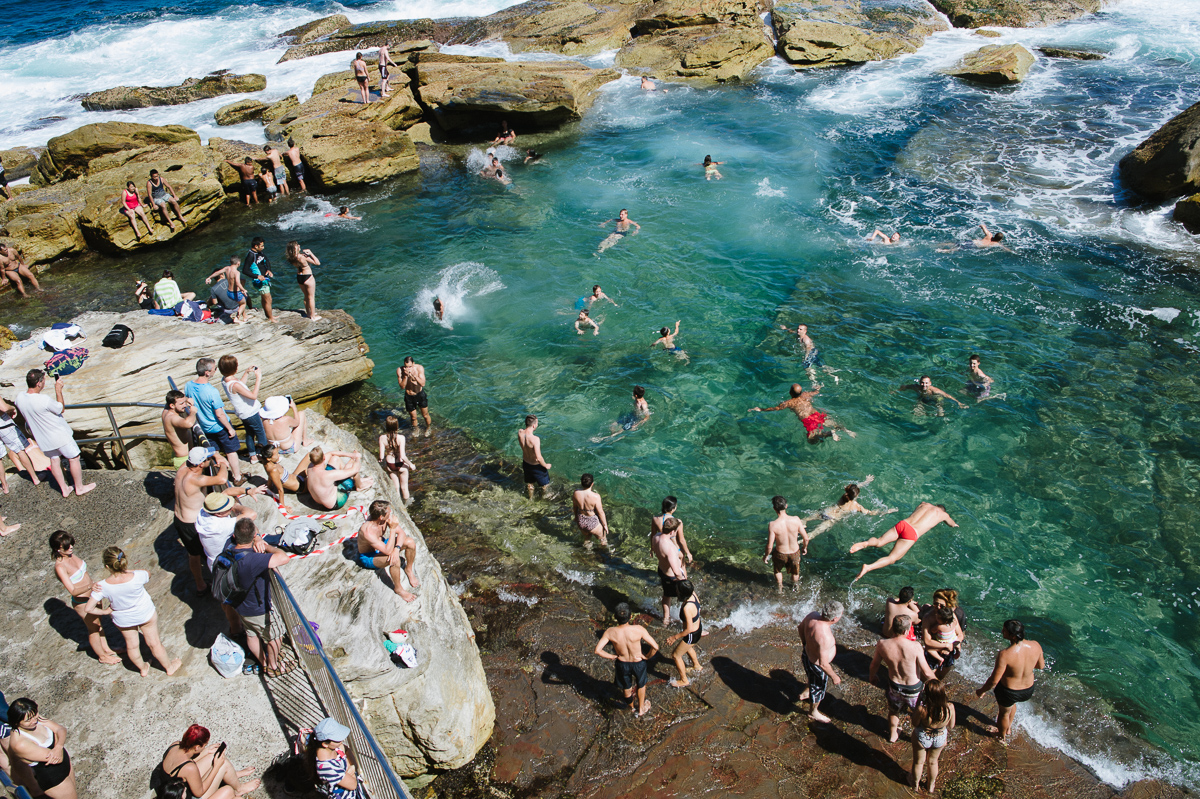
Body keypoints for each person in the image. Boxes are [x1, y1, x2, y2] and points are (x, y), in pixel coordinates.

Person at [84, 546, 181, 676]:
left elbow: (88, 608)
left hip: (123, 619)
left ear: (107, 567)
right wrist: (126, 570)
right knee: (154, 643)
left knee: (132, 646)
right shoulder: (137, 576)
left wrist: (106, 612)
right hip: (145, 613)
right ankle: (169, 667)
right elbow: (148, 573)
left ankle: (143, 669)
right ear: (124, 561)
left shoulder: (102, 585)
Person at [222, 518, 289, 675]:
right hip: (258, 606)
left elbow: (249, 526)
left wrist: (257, 536)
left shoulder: (229, 546)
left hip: (240, 604)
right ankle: (273, 666)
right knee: (275, 636)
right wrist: (266, 546)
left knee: (251, 634)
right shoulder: (252, 559)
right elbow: (283, 557)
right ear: (252, 537)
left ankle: (263, 662)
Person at [14, 370, 95, 498]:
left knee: (54, 460)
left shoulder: (19, 398)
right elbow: (60, 408)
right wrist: (58, 390)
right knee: (74, 458)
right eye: (44, 381)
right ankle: (79, 488)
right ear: (39, 383)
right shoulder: (43, 399)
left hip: (43, 438)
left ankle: (64, 489)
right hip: (59, 435)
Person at [50, 531, 121, 665]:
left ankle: (106, 649)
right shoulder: (60, 567)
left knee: (99, 624)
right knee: (93, 629)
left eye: (71, 543)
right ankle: (102, 656)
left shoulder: (71, 555)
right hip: (82, 601)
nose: (70, 547)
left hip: (94, 595)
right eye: (66, 546)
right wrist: (90, 586)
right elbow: (73, 590)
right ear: (57, 549)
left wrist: (93, 588)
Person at [849, 502, 959, 582]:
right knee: (892, 558)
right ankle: (868, 567)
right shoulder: (944, 515)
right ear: (943, 510)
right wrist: (954, 525)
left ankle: (866, 543)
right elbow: (951, 523)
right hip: (912, 533)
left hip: (903, 524)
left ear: (935, 504)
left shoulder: (924, 504)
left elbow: (917, 511)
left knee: (879, 541)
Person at [870, 614, 936, 742]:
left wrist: (872, 676)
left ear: (892, 628)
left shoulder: (882, 644)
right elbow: (926, 672)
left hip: (894, 686)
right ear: (907, 630)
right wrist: (937, 684)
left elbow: (874, 664)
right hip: (913, 689)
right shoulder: (915, 646)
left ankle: (893, 735)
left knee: (894, 711)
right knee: (920, 713)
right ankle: (922, 736)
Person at [174, 446, 231, 592]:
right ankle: (220, 585)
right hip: (192, 523)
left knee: (193, 555)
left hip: (180, 520)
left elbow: (206, 455)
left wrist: (215, 454)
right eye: (207, 458)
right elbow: (221, 479)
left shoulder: (183, 467)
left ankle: (200, 585)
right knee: (211, 553)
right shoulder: (195, 479)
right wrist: (223, 463)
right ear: (200, 464)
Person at [976, 619, 1044, 739]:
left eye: (1004, 630)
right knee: (1011, 705)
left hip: (1009, 692)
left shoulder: (1005, 654)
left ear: (1012, 636)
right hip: (1028, 690)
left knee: (1003, 713)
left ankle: (1001, 735)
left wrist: (981, 691)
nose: (1002, 631)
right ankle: (1008, 728)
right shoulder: (1036, 645)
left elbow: (994, 681)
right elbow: (1040, 666)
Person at [185, 358, 245, 485]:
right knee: (231, 451)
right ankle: (237, 477)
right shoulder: (211, 391)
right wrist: (229, 428)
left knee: (215, 452)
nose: (215, 371)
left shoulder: (188, 385)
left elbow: (189, 401)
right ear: (207, 372)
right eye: (214, 369)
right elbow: (220, 414)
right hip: (219, 427)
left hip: (204, 427)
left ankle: (218, 476)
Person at [160, 724, 259, 799]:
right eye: (204, 746)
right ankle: (238, 788)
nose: (204, 747)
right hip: (192, 793)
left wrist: (207, 751)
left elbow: (185, 760)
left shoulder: (176, 745)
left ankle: (232, 775)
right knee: (227, 785)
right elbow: (200, 792)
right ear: (197, 747)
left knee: (213, 756)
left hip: (177, 783)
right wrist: (216, 767)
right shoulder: (189, 768)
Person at [595, 602, 659, 717]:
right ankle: (641, 709)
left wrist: (612, 656)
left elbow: (598, 650)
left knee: (627, 687)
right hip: (638, 662)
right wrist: (647, 656)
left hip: (622, 663)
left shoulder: (610, 631)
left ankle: (632, 708)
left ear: (615, 617)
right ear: (630, 617)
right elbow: (655, 646)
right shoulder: (639, 629)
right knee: (641, 685)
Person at [6, 698, 77, 799]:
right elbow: (58, 758)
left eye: (35, 715)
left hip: (66, 766)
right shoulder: (20, 743)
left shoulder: (33, 717)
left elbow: (61, 729)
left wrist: (58, 747)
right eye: (28, 720)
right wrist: (58, 741)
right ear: (17, 722)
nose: (34, 721)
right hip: (55, 780)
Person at [355, 500, 420, 602]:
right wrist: (393, 530)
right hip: (369, 556)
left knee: (410, 542)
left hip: (383, 545)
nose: (391, 514)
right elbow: (387, 551)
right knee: (395, 560)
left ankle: (409, 569)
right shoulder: (367, 531)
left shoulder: (385, 519)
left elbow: (402, 534)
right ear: (381, 517)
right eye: (389, 512)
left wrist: (397, 549)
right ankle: (398, 589)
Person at [748, 383, 855, 443]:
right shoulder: (806, 395)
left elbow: (774, 408)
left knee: (811, 440)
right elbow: (817, 392)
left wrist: (761, 409)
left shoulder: (788, 403)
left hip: (808, 420)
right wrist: (818, 387)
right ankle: (847, 431)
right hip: (816, 414)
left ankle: (829, 434)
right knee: (833, 423)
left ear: (790, 392)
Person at [803, 479, 898, 538]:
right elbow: (871, 513)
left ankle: (803, 522)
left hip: (827, 512)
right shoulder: (857, 506)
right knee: (812, 535)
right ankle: (799, 542)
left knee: (804, 520)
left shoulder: (843, 496)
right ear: (856, 496)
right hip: (832, 520)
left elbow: (850, 489)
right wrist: (887, 511)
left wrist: (864, 482)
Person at [797, 602, 843, 723]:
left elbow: (800, 628)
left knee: (810, 676)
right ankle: (813, 712)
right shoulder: (825, 636)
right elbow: (823, 664)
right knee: (818, 687)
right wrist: (834, 676)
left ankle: (806, 692)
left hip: (806, 655)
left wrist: (805, 644)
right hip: (817, 665)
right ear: (835, 618)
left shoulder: (812, 615)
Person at [196, 491, 260, 573]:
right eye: (229, 508)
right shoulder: (220, 526)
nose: (231, 508)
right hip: (225, 564)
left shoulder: (202, 513)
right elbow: (252, 514)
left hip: (213, 560)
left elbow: (226, 492)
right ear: (219, 514)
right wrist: (236, 506)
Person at [218, 356, 267, 462]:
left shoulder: (225, 380)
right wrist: (258, 377)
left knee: (250, 433)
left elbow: (241, 386)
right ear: (235, 368)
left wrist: (246, 373)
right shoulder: (234, 384)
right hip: (250, 412)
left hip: (243, 413)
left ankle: (253, 456)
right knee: (261, 434)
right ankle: (266, 457)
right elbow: (253, 396)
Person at [910, 678, 955, 793]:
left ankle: (915, 785)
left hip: (923, 736)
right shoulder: (950, 707)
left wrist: (919, 701)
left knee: (919, 762)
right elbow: (952, 725)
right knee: (933, 762)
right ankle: (930, 786)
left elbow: (914, 723)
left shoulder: (923, 709)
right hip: (939, 737)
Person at [309, 717, 363, 799]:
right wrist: (352, 767)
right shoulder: (327, 768)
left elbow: (347, 750)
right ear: (325, 744)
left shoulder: (333, 747)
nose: (341, 740)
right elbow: (353, 785)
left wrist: (351, 770)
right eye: (337, 739)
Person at [304, 447, 372, 511]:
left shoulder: (310, 467)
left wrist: (352, 455)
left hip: (319, 499)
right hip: (335, 502)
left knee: (335, 458)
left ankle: (352, 477)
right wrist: (357, 458)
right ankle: (359, 486)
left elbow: (331, 453)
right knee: (351, 467)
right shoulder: (327, 475)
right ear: (323, 457)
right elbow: (355, 469)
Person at [764, 495, 809, 590]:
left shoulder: (773, 525)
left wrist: (766, 556)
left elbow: (769, 546)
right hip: (794, 552)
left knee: (777, 571)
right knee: (795, 572)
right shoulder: (796, 519)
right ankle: (795, 587)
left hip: (780, 554)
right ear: (786, 506)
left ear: (774, 508)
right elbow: (806, 538)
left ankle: (780, 589)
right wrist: (804, 548)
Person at [664, 579, 702, 687]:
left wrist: (674, 637)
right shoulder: (693, 594)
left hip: (691, 634)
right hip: (698, 629)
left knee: (676, 655)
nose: (675, 591)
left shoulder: (687, 608)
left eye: (677, 590)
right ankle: (697, 666)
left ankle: (684, 680)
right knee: (688, 647)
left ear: (681, 593)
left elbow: (688, 629)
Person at [0, 395, 41, 487]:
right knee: (20, 451)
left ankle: (4, 486)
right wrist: (12, 408)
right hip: (3, 424)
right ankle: (35, 478)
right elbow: (4, 408)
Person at [653, 517, 687, 626]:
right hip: (671, 577)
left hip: (661, 570)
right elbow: (676, 571)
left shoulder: (656, 537)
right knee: (686, 598)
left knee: (667, 595)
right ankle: (687, 621)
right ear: (672, 531)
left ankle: (665, 619)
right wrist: (685, 582)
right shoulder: (670, 548)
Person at [378, 415, 416, 505]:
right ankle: (406, 505)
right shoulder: (401, 438)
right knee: (404, 487)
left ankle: (398, 506)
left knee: (396, 487)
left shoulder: (382, 438)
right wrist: (410, 464)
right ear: (397, 426)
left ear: (386, 426)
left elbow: (381, 456)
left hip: (390, 465)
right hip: (401, 465)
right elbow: (402, 456)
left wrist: (380, 459)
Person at [922, 606, 964, 680]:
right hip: (952, 641)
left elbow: (932, 630)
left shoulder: (939, 627)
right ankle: (958, 652)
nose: (936, 618)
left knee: (929, 649)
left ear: (943, 621)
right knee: (958, 645)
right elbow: (960, 635)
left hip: (942, 643)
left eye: (938, 618)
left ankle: (939, 658)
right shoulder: (954, 622)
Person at [204, 257, 248, 324]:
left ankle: (245, 317)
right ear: (238, 263)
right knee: (243, 303)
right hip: (235, 293)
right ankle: (237, 318)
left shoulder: (227, 268)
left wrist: (209, 277)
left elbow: (217, 273)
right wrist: (243, 289)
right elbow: (238, 282)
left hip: (229, 293)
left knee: (241, 300)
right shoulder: (237, 272)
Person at [161, 390, 198, 469]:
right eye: (181, 404)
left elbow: (175, 398)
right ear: (172, 405)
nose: (184, 405)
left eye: (184, 402)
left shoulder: (165, 411)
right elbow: (188, 423)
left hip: (182, 457)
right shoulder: (172, 418)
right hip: (184, 459)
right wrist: (193, 412)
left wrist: (186, 399)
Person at [518, 415, 552, 500]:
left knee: (530, 483)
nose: (537, 425)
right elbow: (538, 457)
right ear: (533, 425)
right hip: (536, 466)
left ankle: (530, 498)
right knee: (545, 485)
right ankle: (543, 497)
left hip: (526, 463)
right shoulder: (535, 439)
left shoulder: (520, 432)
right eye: (537, 423)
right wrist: (545, 465)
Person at [262, 444, 304, 513]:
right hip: (301, 485)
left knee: (309, 455)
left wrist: (269, 486)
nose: (278, 455)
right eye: (276, 454)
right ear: (268, 458)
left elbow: (270, 476)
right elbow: (280, 490)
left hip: (295, 477)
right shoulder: (273, 470)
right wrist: (283, 506)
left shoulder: (268, 463)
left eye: (278, 453)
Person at [286, 241, 322, 321]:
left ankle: (308, 313)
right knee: (311, 297)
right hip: (308, 276)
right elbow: (317, 263)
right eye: (297, 245)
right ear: (294, 248)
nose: (299, 245)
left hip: (300, 277)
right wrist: (310, 253)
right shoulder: (302, 256)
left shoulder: (291, 258)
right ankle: (313, 316)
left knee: (306, 296)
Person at [651, 496, 693, 564]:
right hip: (676, 550)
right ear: (673, 509)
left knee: (667, 567)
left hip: (663, 549)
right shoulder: (678, 522)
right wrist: (688, 553)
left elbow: (653, 535)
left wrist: (652, 548)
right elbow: (681, 540)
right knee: (681, 569)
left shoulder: (655, 519)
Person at [572, 473, 610, 548]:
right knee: (603, 539)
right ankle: (606, 555)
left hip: (581, 521)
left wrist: (576, 517)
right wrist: (605, 526)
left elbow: (575, 507)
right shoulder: (596, 496)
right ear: (592, 484)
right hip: (592, 522)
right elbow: (601, 513)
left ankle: (587, 553)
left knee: (587, 536)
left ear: (581, 483)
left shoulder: (576, 493)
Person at [241, 237, 274, 320]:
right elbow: (245, 270)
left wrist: (269, 270)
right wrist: (257, 276)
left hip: (265, 279)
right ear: (256, 246)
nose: (263, 247)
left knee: (266, 299)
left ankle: (269, 315)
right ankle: (270, 318)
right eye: (262, 246)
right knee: (268, 299)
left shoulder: (260, 252)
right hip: (259, 281)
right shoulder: (251, 255)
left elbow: (266, 260)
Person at [900, 375, 967, 415]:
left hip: (936, 398)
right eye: (922, 383)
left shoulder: (935, 391)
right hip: (923, 398)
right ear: (920, 382)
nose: (924, 385)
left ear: (930, 383)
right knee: (916, 410)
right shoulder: (916, 387)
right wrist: (895, 391)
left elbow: (947, 396)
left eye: (926, 383)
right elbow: (905, 387)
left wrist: (959, 403)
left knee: (940, 410)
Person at [397, 356, 432, 432]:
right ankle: (416, 430)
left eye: (410, 366)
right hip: (409, 396)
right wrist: (406, 376)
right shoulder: (400, 370)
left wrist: (414, 375)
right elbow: (402, 386)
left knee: (425, 415)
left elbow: (423, 384)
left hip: (419, 394)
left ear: (413, 363)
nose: (408, 368)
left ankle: (428, 428)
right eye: (406, 366)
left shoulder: (419, 368)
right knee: (413, 417)